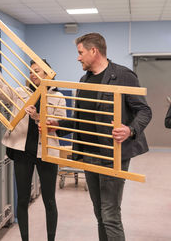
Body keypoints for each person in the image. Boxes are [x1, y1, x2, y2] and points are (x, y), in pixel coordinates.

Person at [42, 33, 152, 241]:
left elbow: (144, 111)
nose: (78, 58)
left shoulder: (123, 75)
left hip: (112, 154)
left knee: (110, 214)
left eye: (80, 52)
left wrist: (129, 129)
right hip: (89, 155)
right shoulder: (84, 81)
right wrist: (57, 126)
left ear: (94, 51)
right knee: (99, 214)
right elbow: (80, 119)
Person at [0, 47, 66, 241]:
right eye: (30, 71)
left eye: (37, 71)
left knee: (49, 200)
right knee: (22, 200)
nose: (32, 74)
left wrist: (39, 118)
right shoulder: (20, 92)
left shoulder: (58, 97)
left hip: (46, 153)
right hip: (22, 152)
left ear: (47, 73)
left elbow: (61, 126)